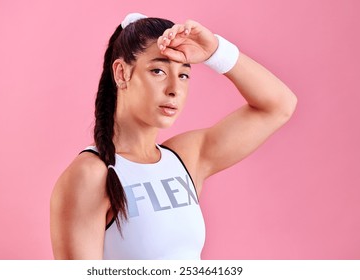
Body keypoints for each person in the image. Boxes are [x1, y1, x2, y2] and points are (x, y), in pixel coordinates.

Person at [50, 13, 297, 260]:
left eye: (183, 75)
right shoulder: (90, 175)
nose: (174, 90)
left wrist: (215, 53)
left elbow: (279, 105)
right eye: (158, 70)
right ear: (122, 73)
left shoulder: (185, 158)